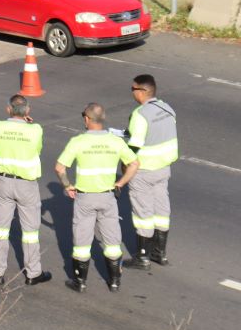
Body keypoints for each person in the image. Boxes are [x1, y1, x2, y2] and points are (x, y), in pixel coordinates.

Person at [55, 103, 139, 293]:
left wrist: (68, 186)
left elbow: (60, 168)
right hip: (108, 197)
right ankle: (115, 281)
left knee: (82, 242)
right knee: (111, 240)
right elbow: (134, 163)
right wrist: (120, 183)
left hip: (85, 198)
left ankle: (80, 282)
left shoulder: (78, 141)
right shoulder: (116, 142)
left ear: (87, 119)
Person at [0, 94, 51, 286]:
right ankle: (33, 273)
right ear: (28, 111)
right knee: (30, 231)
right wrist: (28, 123)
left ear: (8, 109)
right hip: (26, 185)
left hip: (3, 183)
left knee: (0, 230)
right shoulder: (36, 130)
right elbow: (35, 150)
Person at [123, 74, 178, 268]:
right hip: (164, 167)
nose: (131, 92)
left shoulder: (140, 114)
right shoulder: (167, 108)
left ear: (142, 91)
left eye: (133, 89)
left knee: (142, 213)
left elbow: (133, 149)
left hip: (144, 170)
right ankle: (160, 253)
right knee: (162, 209)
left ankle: (142, 257)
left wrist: (125, 167)